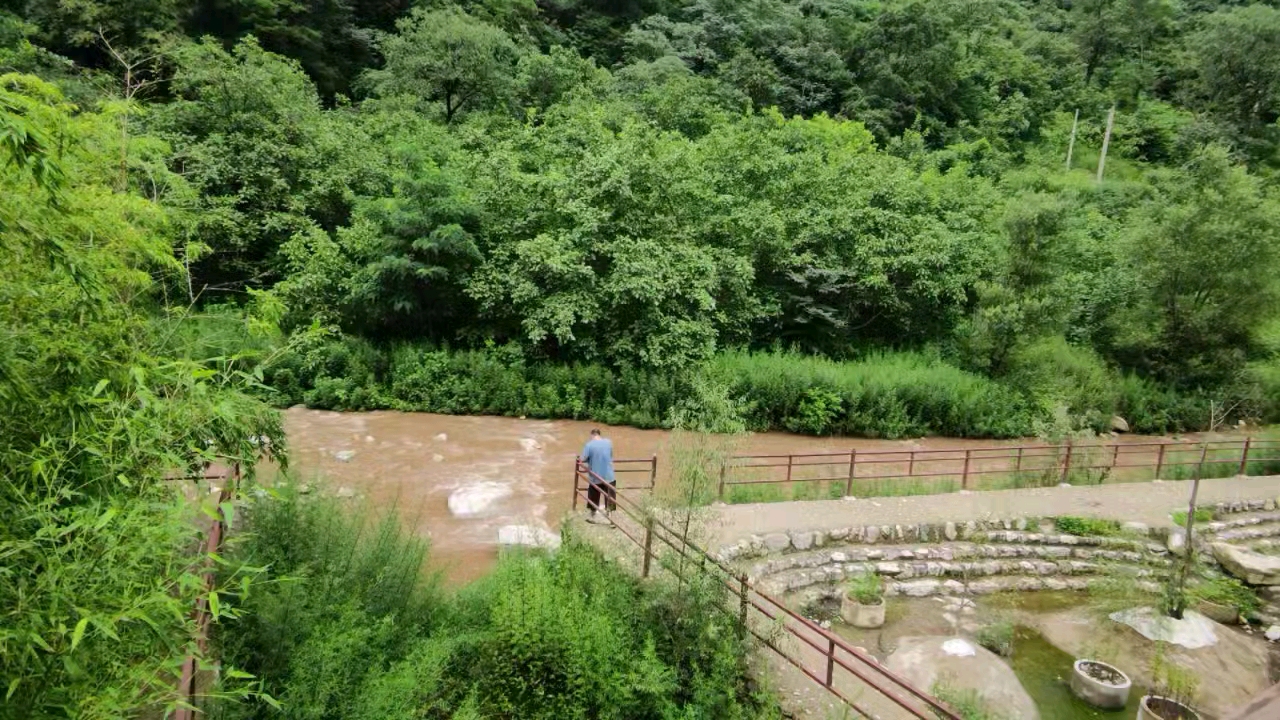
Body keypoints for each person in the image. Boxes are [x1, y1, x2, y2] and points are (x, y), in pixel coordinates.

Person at [580, 428, 615, 525]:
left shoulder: (589, 444)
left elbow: (582, 459)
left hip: (596, 476)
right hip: (609, 475)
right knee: (609, 497)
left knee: (593, 497)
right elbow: (610, 456)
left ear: (592, 435)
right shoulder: (608, 442)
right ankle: (611, 520)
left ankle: (592, 517)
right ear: (599, 435)